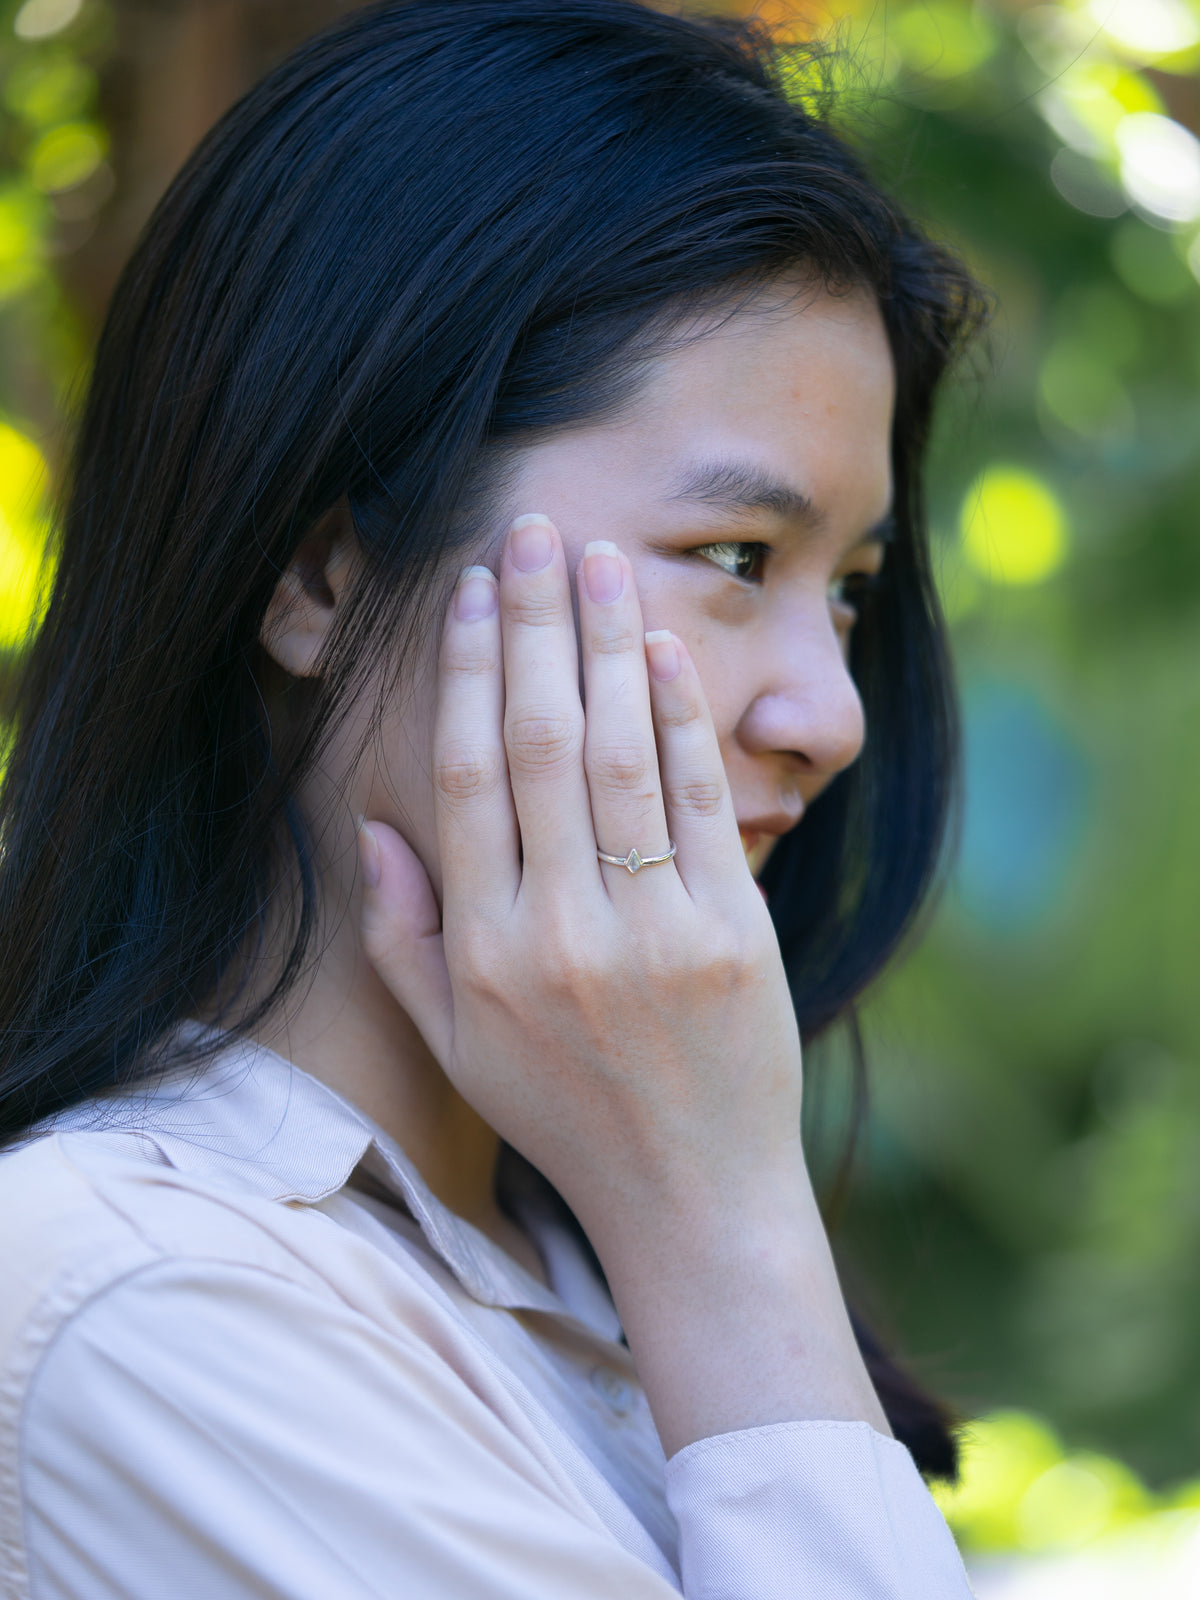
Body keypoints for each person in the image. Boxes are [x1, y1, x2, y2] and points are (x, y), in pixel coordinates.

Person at [0, 3, 988, 1595]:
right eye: (736, 559)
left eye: (853, 589)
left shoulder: (576, 1272)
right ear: (319, 572)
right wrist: (724, 1227)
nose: (835, 715)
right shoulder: (138, 1304)